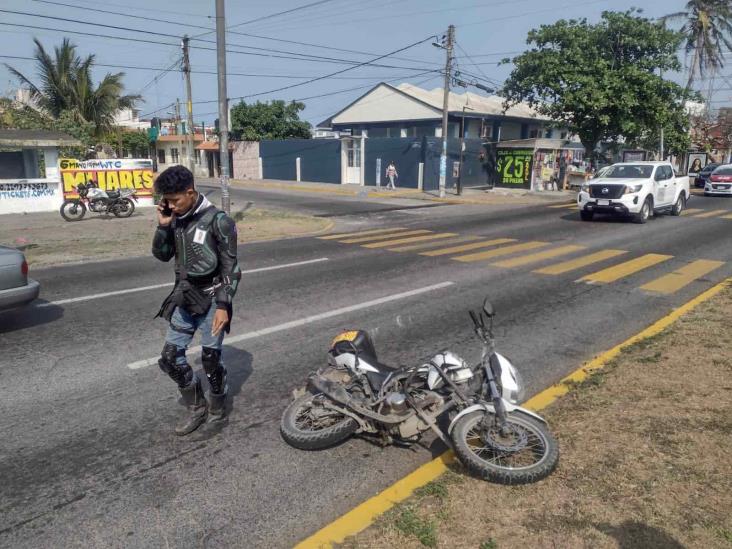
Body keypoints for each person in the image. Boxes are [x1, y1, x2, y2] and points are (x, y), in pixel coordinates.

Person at [152, 166, 241, 435]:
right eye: (166, 200)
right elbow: (162, 255)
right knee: (169, 359)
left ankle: (217, 408)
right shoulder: (175, 218)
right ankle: (197, 406)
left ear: (190, 192)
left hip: (214, 298)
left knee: (210, 359)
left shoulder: (219, 221)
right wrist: (163, 227)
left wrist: (224, 306)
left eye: (175, 200)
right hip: (185, 297)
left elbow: (232, 268)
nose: (170, 206)